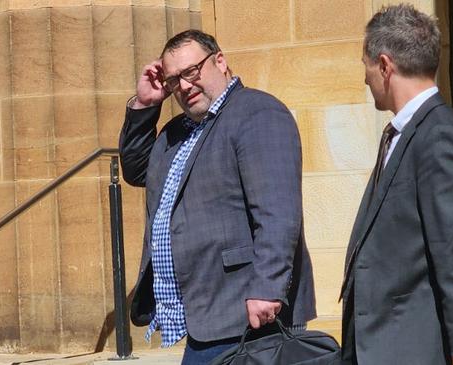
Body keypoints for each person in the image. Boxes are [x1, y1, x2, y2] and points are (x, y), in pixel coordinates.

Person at [119, 29, 316, 364]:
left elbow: (278, 213)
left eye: (191, 72)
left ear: (220, 61)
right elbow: (138, 170)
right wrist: (145, 104)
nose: (183, 86)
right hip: (208, 315)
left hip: (251, 315)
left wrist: (268, 288)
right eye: (172, 80)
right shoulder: (176, 133)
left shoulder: (257, 113)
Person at [339, 4, 453, 365]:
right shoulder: (407, 132)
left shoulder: (442, 136)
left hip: (413, 346)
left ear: (384, 65)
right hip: (382, 345)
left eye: (366, 66)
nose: (366, 79)